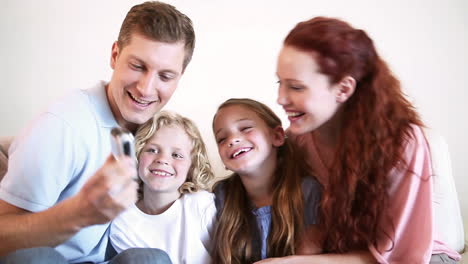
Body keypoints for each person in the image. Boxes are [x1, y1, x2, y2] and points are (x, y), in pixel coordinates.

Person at [0, 1, 195, 263]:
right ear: (115, 55)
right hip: (49, 259)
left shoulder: (153, 131)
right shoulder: (62, 126)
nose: (146, 89)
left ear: (180, 77)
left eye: (166, 76)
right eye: (138, 66)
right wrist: (77, 214)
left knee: (152, 259)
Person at [255, 17, 461, 263]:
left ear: (343, 89)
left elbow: (399, 254)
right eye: (280, 83)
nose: (280, 98)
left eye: (296, 87)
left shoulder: (402, 143)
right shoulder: (300, 139)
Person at [211, 98, 321, 263]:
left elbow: (306, 258)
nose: (232, 140)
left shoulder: (307, 191)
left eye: (246, 128)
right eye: (222, 139)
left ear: (276, 136)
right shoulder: (221, 195)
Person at [109, 111, 216, 264]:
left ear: (192, 167)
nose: (162, 159)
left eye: (177, 155)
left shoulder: (203, 205)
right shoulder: (124, 221)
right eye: (152, 150)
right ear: (137, 155)